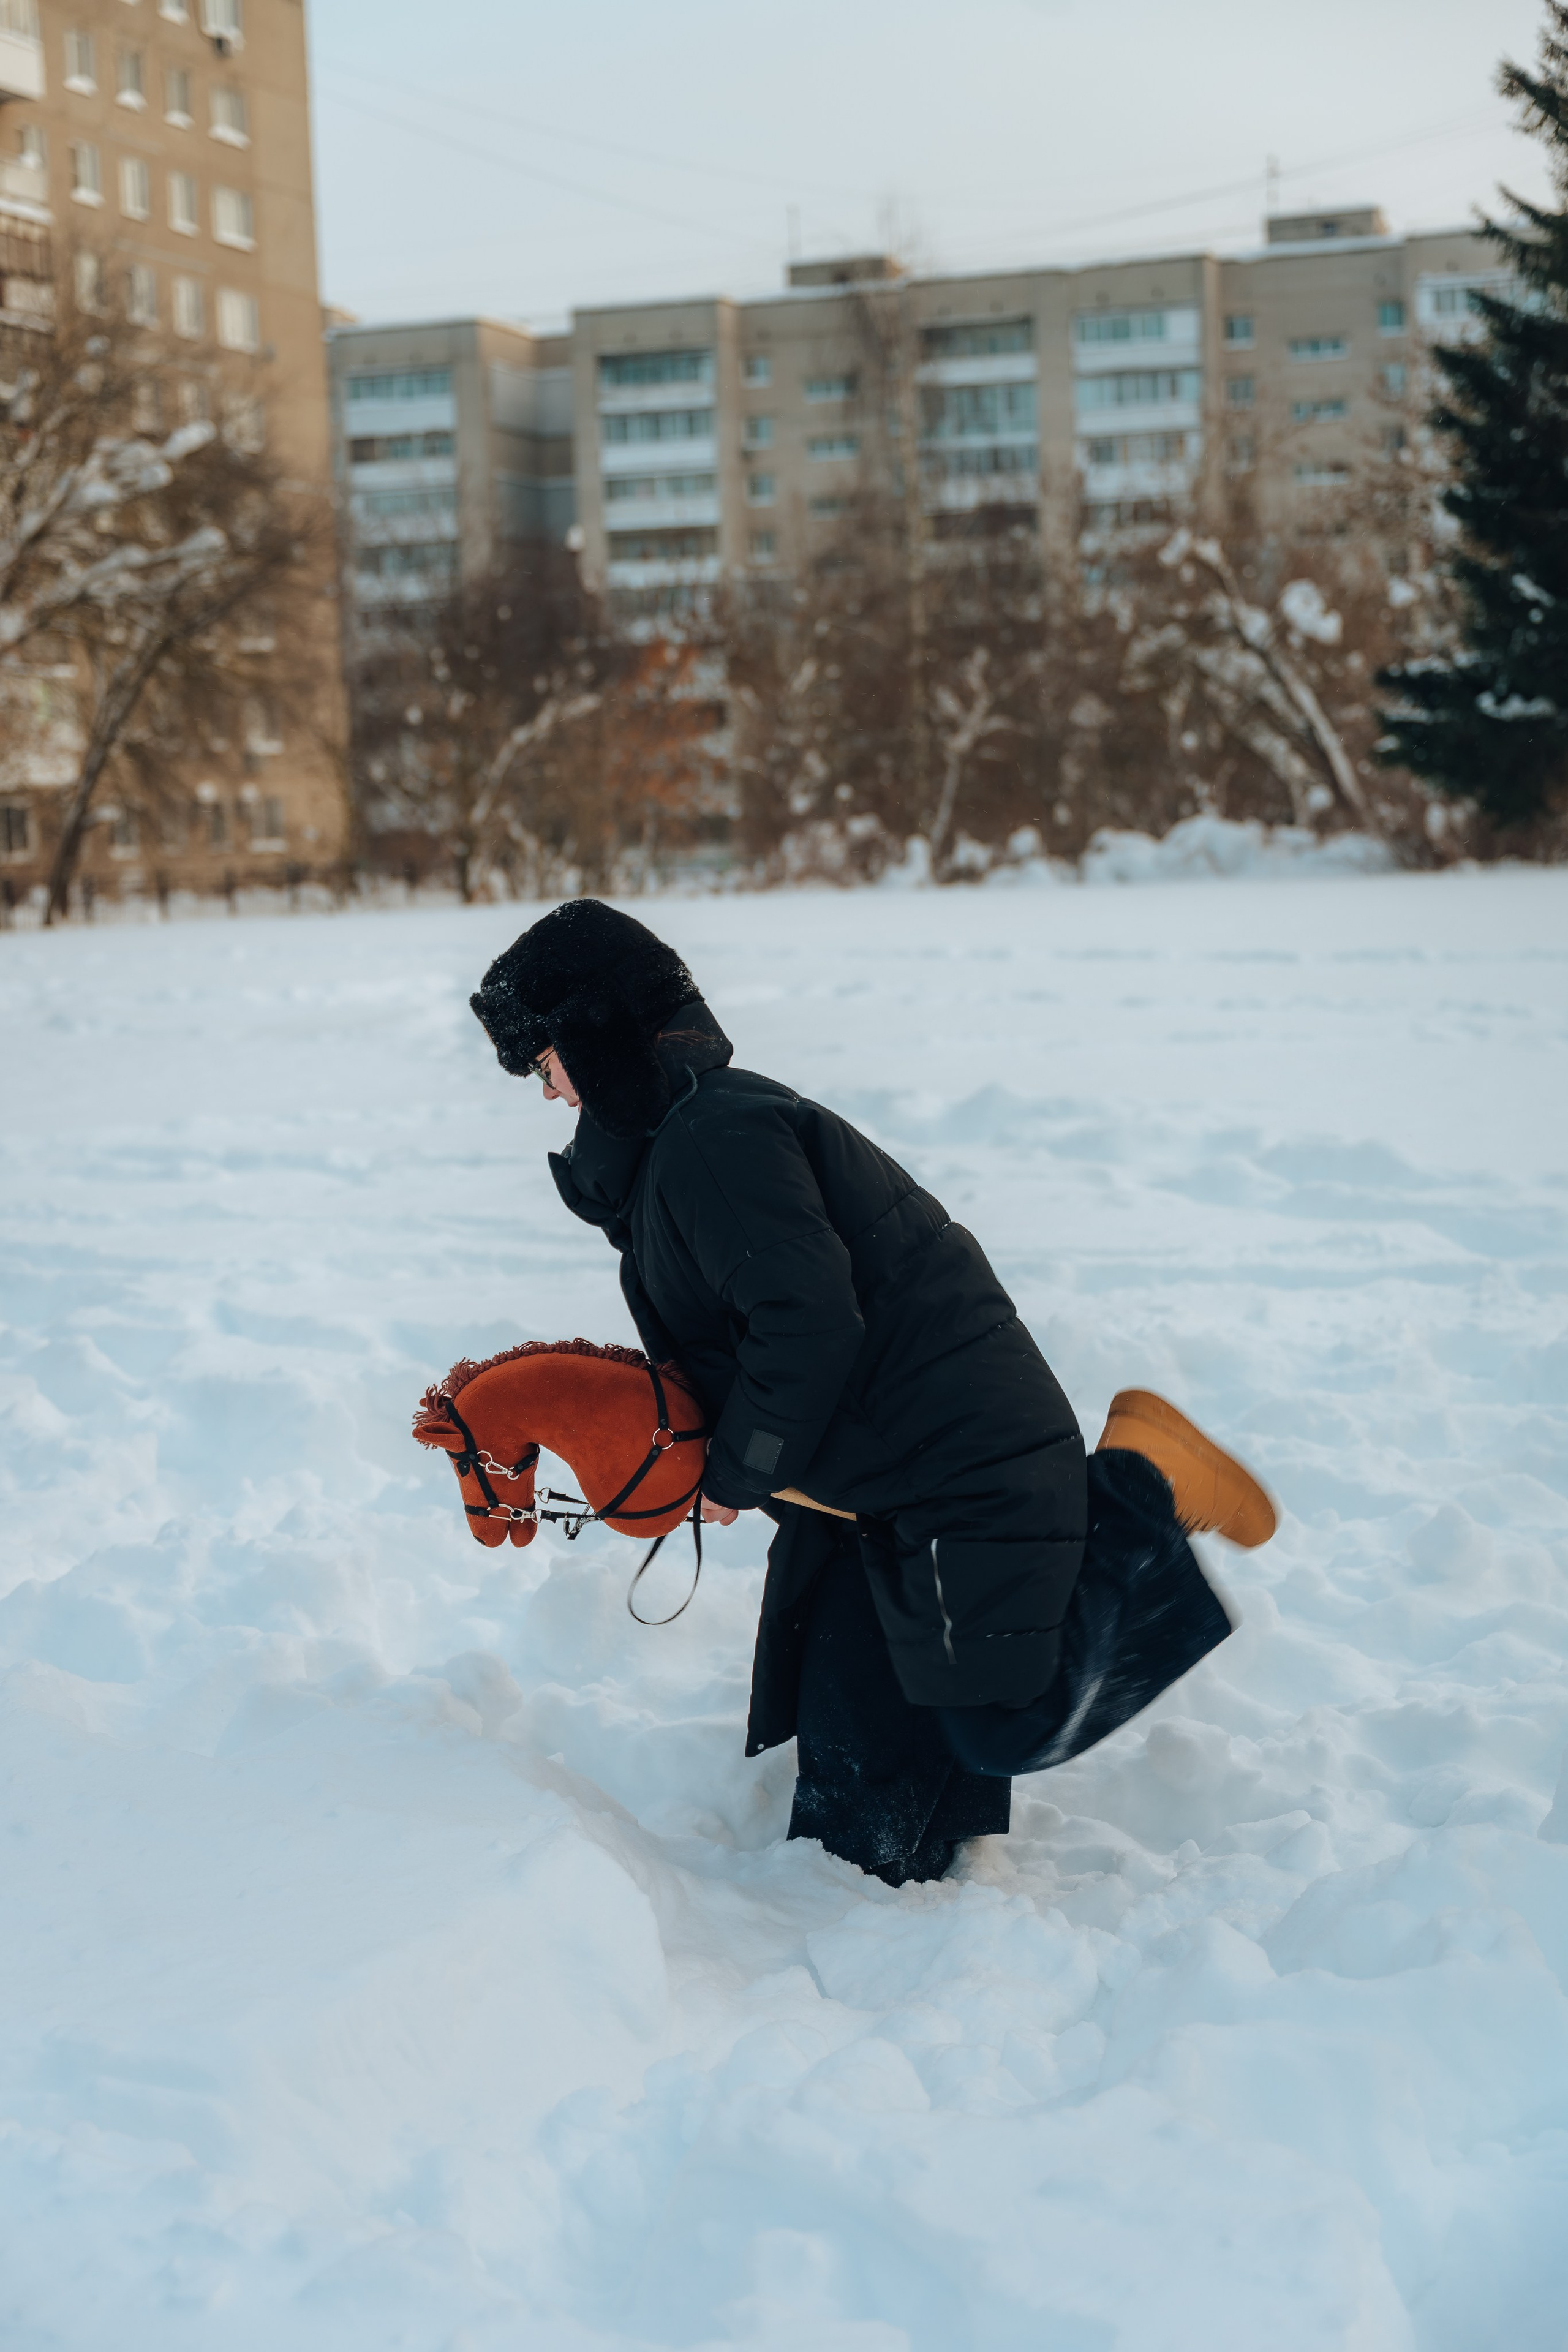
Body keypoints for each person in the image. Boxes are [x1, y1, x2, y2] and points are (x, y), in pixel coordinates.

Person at [470, 900, 1273, 1888]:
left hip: (954, 1454)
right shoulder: (674, 1150)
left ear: (596, 1038)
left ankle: (1141, 1487)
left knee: (1006, 1714)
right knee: (859, 1795)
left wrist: (737, 1469)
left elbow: (806, 1320)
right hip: (871, 1487)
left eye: (544, 1063)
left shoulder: (715, 1139)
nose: (547, 1093)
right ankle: (889, 1873)